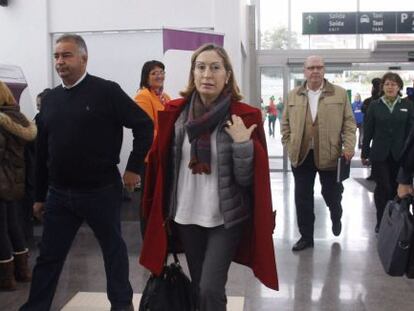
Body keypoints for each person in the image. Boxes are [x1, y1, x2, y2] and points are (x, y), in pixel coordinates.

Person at [139, 43, 278, 311]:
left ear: (227, 74)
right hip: (186, 215)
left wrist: (242, 145)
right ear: (193, 73)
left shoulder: (241, 117)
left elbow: (249, 181)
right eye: (201, 67)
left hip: (225, 218)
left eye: (215, 68)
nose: (207, 74)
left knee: (209, 288)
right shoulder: (177, 116)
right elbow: (164, 167)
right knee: (201, 287)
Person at [20, 34, 153, 311]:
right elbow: (43, 152)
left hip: (100, 192)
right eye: (56, 56)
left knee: (113, 253)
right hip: (59, 195)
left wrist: (133, 168)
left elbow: (143, 125)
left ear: (84, 57)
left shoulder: (106, 91)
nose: (60, 61)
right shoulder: (52, 100)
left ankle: (121, 305)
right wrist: (39, 196)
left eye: (66, 55)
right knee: (48, 258)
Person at [281, 55, 356, 251]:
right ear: (304, 71)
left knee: (330, 193)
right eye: (311, 67)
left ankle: (336, 212)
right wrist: (289, 145)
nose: (315, 71)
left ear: (324, 70)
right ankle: (306, 237)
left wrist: (348, 147)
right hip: (301, 155)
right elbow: (285, 124)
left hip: (330, 155)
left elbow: (349, 124)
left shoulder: (339, 94)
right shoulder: (293, 95)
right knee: (302, 197)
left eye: (319, 67)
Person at [361, 72, 414, 233]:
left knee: (397, 188)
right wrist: (364, 152)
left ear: (399, 87)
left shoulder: (407, 106)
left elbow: (411, 132)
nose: (390, 87)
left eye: (394, 84)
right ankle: (381, 221)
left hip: (401, 155)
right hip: (379, 154)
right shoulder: (374, 106)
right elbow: (368, 131)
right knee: (383, 187)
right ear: (382, 87)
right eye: (387, 84)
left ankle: (396, 222)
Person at [0, 81, 37, 291]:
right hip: (15, 180)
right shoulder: (19, 119)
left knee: (1, 230)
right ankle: (22, 271)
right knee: (14, 226)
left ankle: (6, 279)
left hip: (1, 181)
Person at [133, 61, 170, 236]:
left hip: (164, 155)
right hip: (150, 157)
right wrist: (169, 136)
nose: (159, 76)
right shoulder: (143, 96)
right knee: (149, 198)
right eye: (154, 73)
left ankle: (161, 236)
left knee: (162, 198)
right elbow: (147, 129)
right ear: (146, 76)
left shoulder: (165, 97)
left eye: (161, 72)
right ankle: (148, 236)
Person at [362, 78, 382, 180]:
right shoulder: (370, 101)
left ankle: (376, 173)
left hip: (379, 130)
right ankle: (374, 173)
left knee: (377, 151)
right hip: (371, 128)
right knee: (374, 151)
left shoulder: (380, 100)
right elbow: (363, 109)